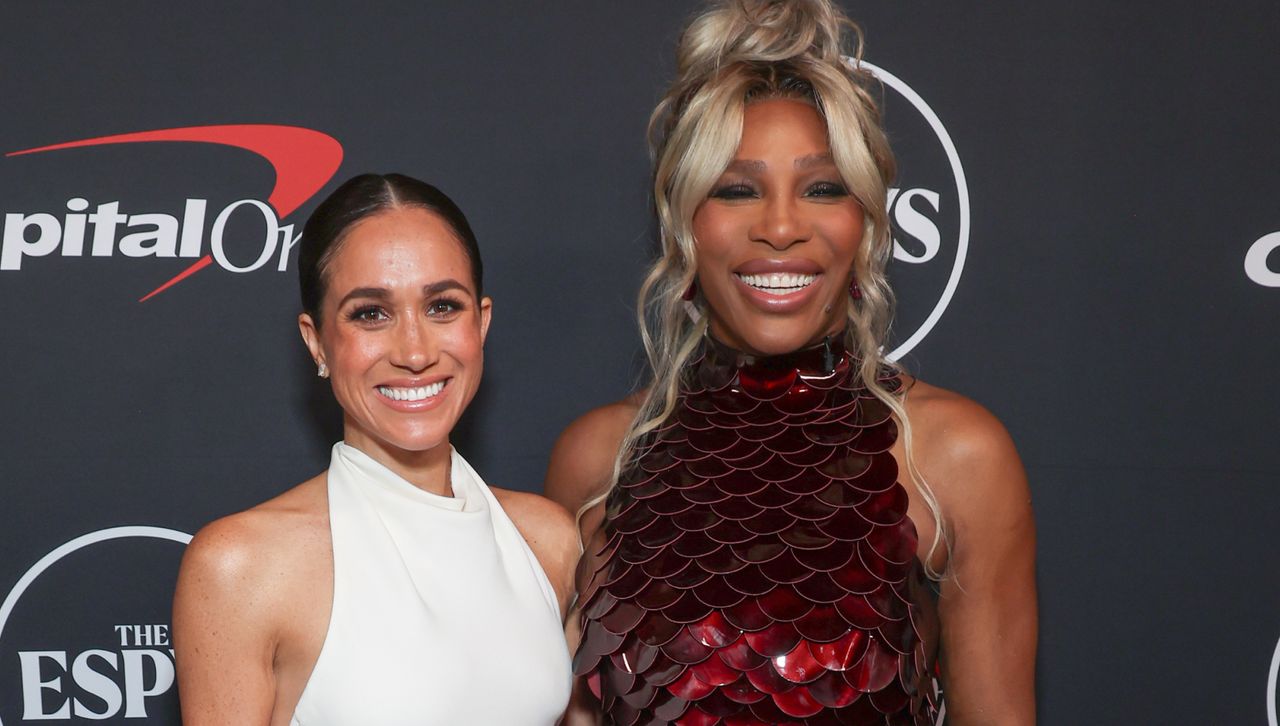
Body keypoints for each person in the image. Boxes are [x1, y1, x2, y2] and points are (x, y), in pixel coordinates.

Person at [546, 1, 1036, 724]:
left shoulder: (956, 454)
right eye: (737, 190)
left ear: (865, 220)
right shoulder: (597, 459)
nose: (780, 227)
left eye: (822, 188)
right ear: (684, 225)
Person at [173, 173, 577, 726]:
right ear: (316, 341)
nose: (415, 352)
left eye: (442, 307)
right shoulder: (241, 567)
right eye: (370, 313)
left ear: (481, 324)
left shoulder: (550, 541)